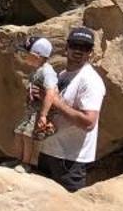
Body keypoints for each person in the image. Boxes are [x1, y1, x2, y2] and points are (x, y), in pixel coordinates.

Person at [36, 25, 105, 192]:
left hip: (70, 160)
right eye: (75, 45)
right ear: (66, 47)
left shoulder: (90, 80)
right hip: (48, 151)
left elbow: (89, 122)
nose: (79, 51)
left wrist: (56, 102)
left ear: (91, 52)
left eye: (85, 47)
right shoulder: (61, 76)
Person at [11, 35, 57, 172]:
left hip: (37, 111)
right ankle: (18, 160)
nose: (24, 56)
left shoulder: (47, 71)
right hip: (30, 109)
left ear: (37, 55)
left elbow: (51, 92)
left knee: (27, 136)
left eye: (27, 53)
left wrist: (43, 115)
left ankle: (26, 163)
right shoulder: (36, 70)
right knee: (19, 133)